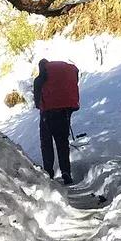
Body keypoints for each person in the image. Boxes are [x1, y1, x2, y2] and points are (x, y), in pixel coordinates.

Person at [33, 57, 79, 185]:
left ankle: (48, 172)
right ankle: (66, 172)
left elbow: (37, 95)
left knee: (46, 142)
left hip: (47, 113)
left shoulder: (42, 76)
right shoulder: (62, 75)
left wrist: (39, 105)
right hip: (64, 112)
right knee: (62, 143)